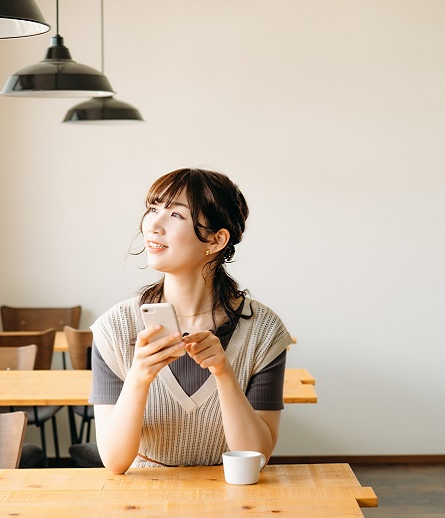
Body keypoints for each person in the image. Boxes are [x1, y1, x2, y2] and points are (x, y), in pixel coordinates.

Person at [89, 168, 293, 474]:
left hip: (233, 500)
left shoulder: (263, 331)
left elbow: (257, 456)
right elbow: (115, 462)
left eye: (175, 215)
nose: (153, 225)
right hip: (141, 503)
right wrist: (139, 377)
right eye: (153, 209)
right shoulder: (114, 328)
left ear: (216, 239)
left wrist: (224, 373)